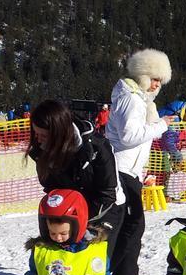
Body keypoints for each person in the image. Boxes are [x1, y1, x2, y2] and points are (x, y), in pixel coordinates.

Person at [105, 48, 177, 275]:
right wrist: (161, 126)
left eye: (160, 80)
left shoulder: (139, 98)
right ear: (143, 76)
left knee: (130, 223)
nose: (157, 84)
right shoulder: (133, 100)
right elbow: (129, 136)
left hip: (129, 170)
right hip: (121, 169)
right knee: (128, 224)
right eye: (154, 78)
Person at [27, 98, 122, 250]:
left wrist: (81, 219)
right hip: (68, 216)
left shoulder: (96, 148)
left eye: (43, 135)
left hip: (102, 210)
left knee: (93, 263)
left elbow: (107, 193)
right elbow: (51, 189)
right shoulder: (42, 151)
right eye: (36, 133)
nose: (38, 140)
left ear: (59, 133)